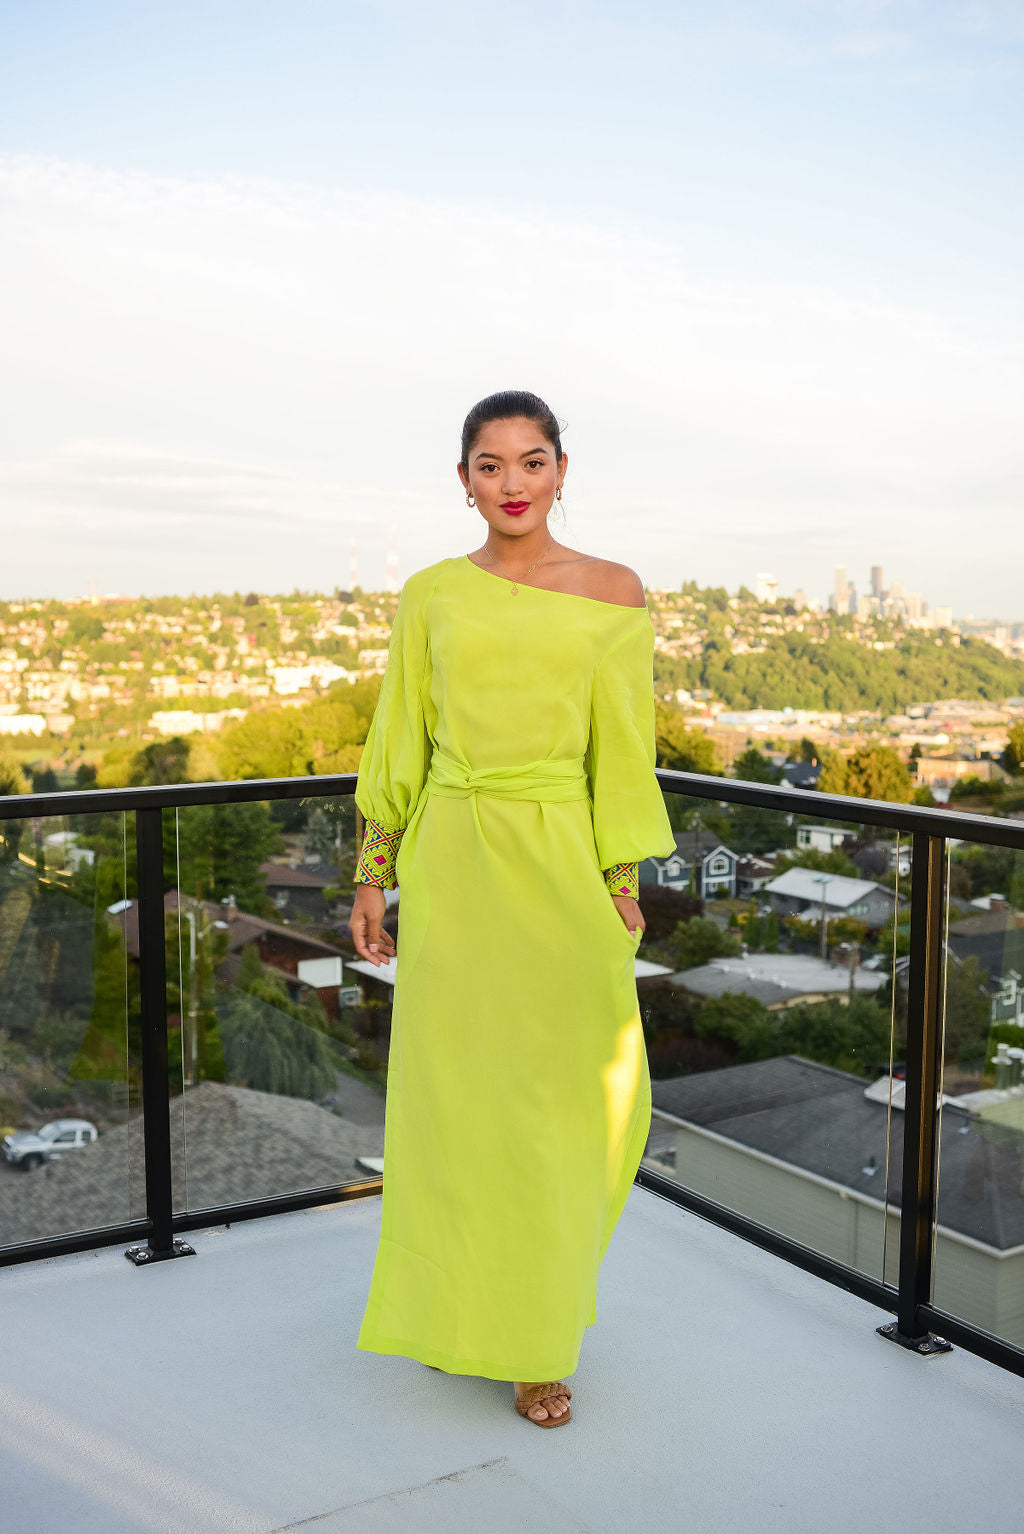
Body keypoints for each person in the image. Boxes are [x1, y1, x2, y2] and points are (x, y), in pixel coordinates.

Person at [348, 389, 676, 1428]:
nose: (513, 484)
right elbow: (400, 734)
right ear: (463, 481)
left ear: (561, 471)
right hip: (452, 862)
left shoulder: (615, 592)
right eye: (490, 466)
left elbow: (620, 751)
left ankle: (540, 1323)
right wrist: (373, 864)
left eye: (531, 462)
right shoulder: (432, 595)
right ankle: (479, 1322)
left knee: (580, 1106)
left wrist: (620, 877)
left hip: (561, 867)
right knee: (459, 1109)